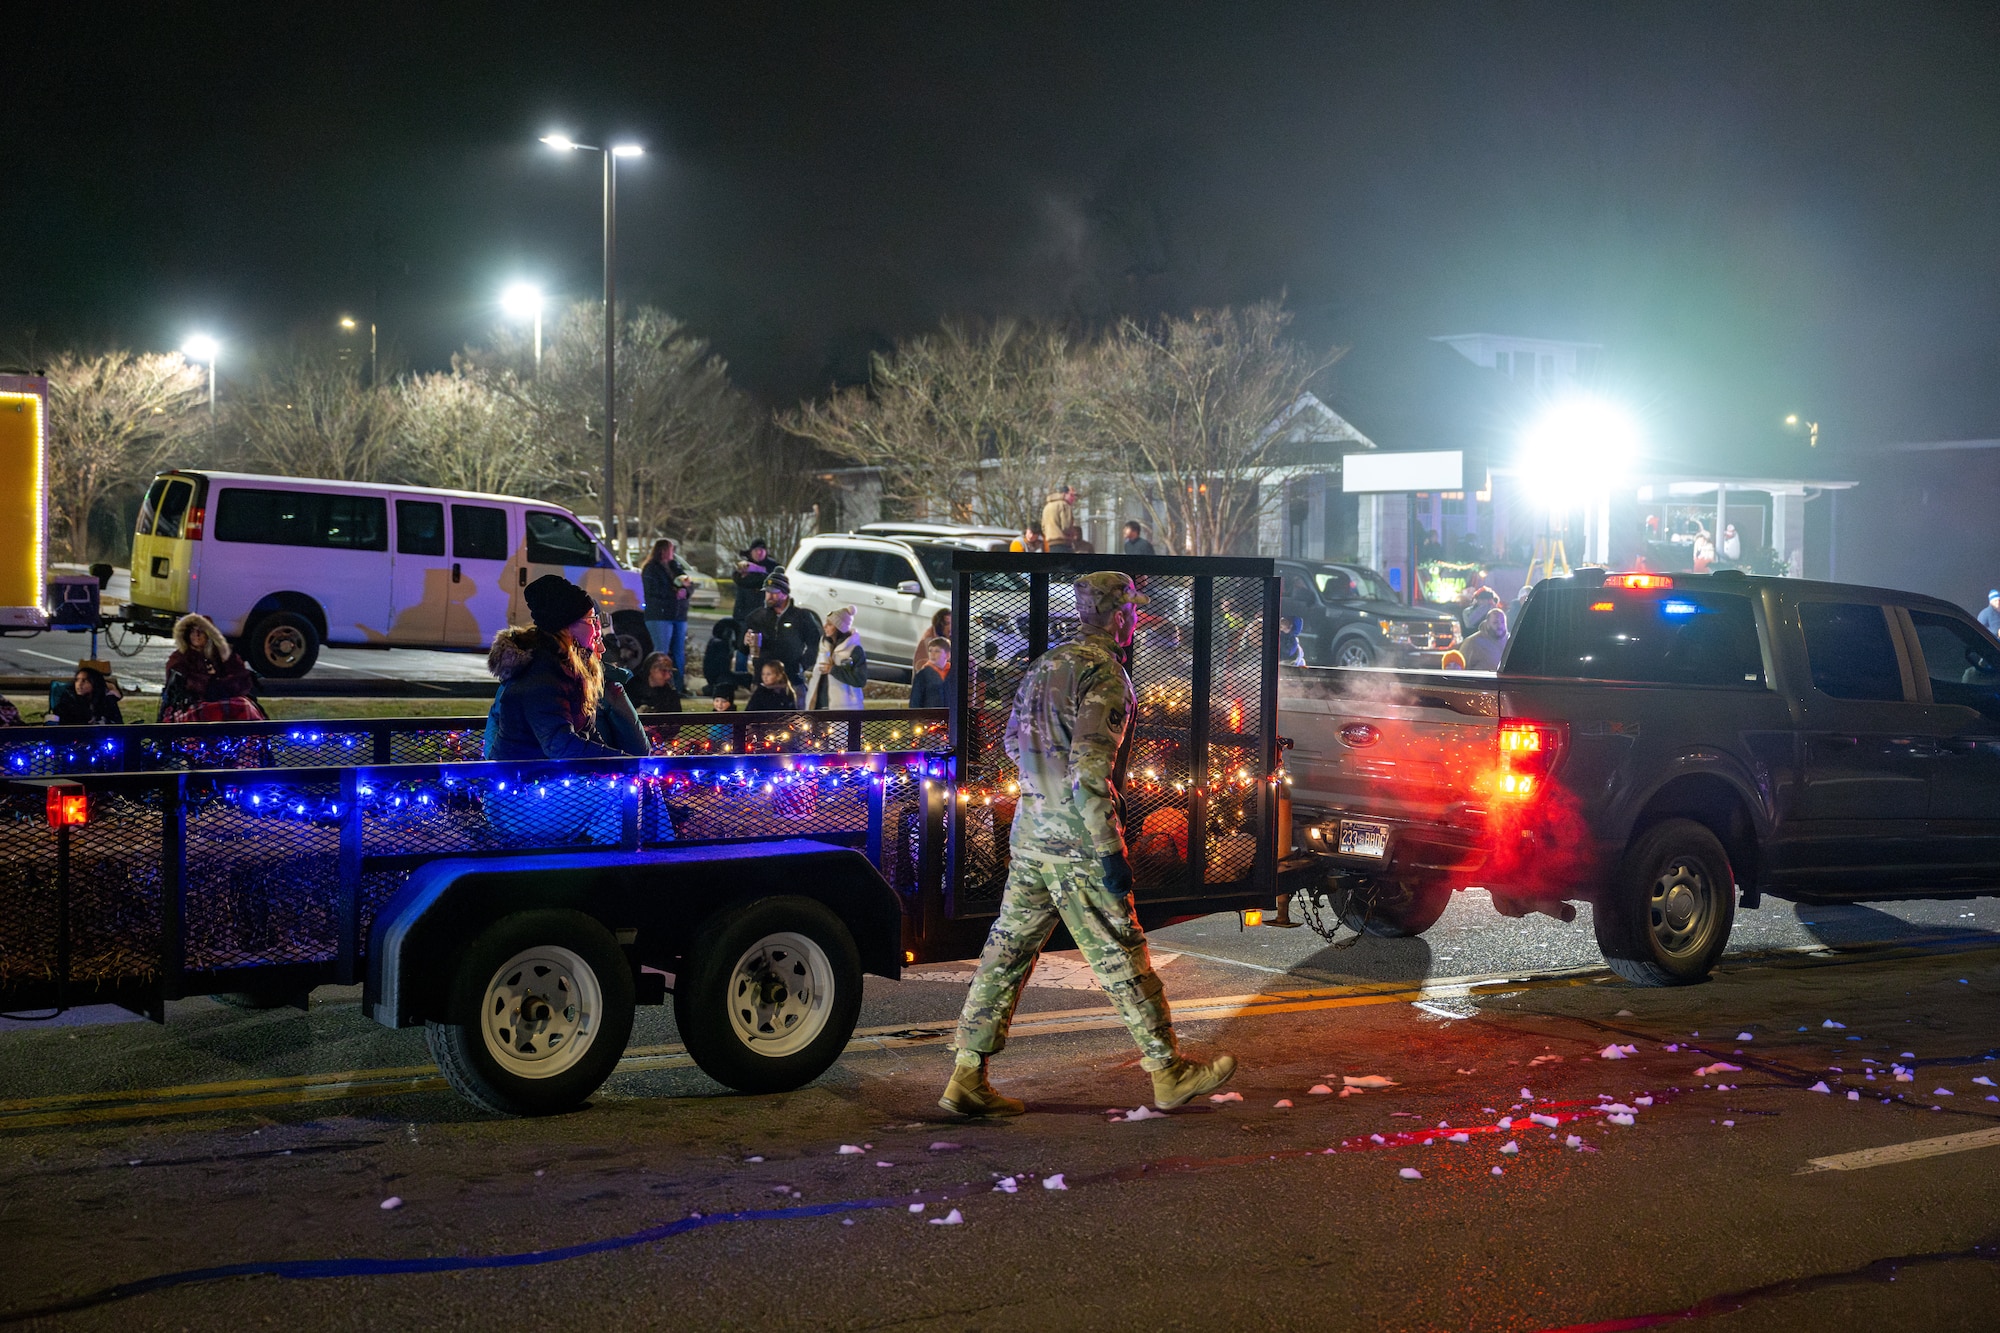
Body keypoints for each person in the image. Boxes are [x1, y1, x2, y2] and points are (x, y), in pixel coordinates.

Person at [943, 571, 1235, 1117]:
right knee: (1118, 948)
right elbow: (1091, 768)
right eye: (1132, 611)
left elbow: (1010, 740)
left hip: (1031, 829)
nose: (1134, 620)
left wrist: (1040, 783)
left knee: (1007, 951)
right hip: (1077, 836)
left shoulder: (1045, 664)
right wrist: (1106, 849)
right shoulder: (1106, 674)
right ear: (1120, 616)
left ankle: (967, 1073)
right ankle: (1167, 1071)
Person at [484, 575, 649, 762]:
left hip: (552, 781)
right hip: (521, 783)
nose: (597, 629)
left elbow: (586, 732)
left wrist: (619, 762)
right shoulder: (541, 676)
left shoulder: (568, 669)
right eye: (590, 620)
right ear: (566, 627)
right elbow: (561, 746)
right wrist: (622, 763)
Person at [160, 613, 262, 722]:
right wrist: (208, 684)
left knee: (244, 706)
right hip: (191, 701)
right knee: (204, 711)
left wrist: (222, 685)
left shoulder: (223, 655)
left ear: (209, 634)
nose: (197, 635)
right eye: (193, 631)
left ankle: (250, 738)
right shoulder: (179, 658)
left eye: (201, 631)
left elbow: (241, 679)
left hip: (226, 697)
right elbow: (184, 685)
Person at [740, 569, 821, 690]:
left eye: (774, 592)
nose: (769, 596)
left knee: (794, 708)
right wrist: (745, 641)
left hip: (791, 678)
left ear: (785, 593)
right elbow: (742, 649)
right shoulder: (756, 617)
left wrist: (801, 666)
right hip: (762, 680)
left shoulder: (801, 616)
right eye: (767, 592)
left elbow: (815, 643)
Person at [641, 539, 695, 681]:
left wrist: (686, 590)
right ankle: (659, 683)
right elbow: (651, 590)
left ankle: (678, 686)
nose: (673, 552)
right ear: (663, 551)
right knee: (661, 652)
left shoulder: (675, 566)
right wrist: (674, 593)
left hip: (678, 615)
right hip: (660, 615)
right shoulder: (651, 568)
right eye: (671, 549)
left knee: (679, 653)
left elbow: (688, 583)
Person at [804, 605, 869, 710]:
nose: (824, 626)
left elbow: (860, 680)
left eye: (829, 624)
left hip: (844, 708)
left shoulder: (854, 650)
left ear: (839, 628)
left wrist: (833, 670)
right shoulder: (824, 646)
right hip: (819, 705)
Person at [731, 539, 774, 677]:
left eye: (762, 550)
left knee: (764, 648)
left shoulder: (772, 566)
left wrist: (756, 570)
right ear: (750, 552)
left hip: (764, 614)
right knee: (742, 647)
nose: (759, 553)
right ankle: (740, 677)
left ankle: (762, 677)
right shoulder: (742, 567)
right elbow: (742, 581)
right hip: (743, 613)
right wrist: (756, 575)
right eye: (756, 550)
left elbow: (771, 580)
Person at [48, 665, 124, 725]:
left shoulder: (106, 700)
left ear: (94, 683)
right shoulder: (68, 701)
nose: (79, 684)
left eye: (84, 681)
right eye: (77, 680)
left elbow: (118, 724)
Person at [1459, 604, 1508, 671]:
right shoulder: (1472, 642)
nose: (1500, 626)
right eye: (1495, 622)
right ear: (1487, 623)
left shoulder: (1511, 642)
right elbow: (1460, 667)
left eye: (1502, 622)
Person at [910, 638, 954, 708]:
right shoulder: (923, 675)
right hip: (930, 717)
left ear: (947, 655)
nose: (932, 654)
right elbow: (915, 702)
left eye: (937, 651)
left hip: (950, 717)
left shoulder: (953, 673)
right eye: (930, 651)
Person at [703, 617, 743, 693]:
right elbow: (723, 667)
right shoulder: (722, 645)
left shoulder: (714, 642)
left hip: (713, 678)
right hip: (719, 678)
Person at [913, 608, 952, 672]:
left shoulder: (952, 636)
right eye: (946, 624)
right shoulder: (929, 640)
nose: (950, 627)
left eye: (951, 623)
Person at [1041, 486, 1077, 553]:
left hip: (1051, 544)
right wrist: (1073, 533)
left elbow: (1043, 528)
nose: (1073, 498)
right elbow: (1066, 526)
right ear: (1064, 494)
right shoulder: (1064, 505)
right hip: (1063, 543)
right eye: (1071, 495)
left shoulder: (1047, 507)